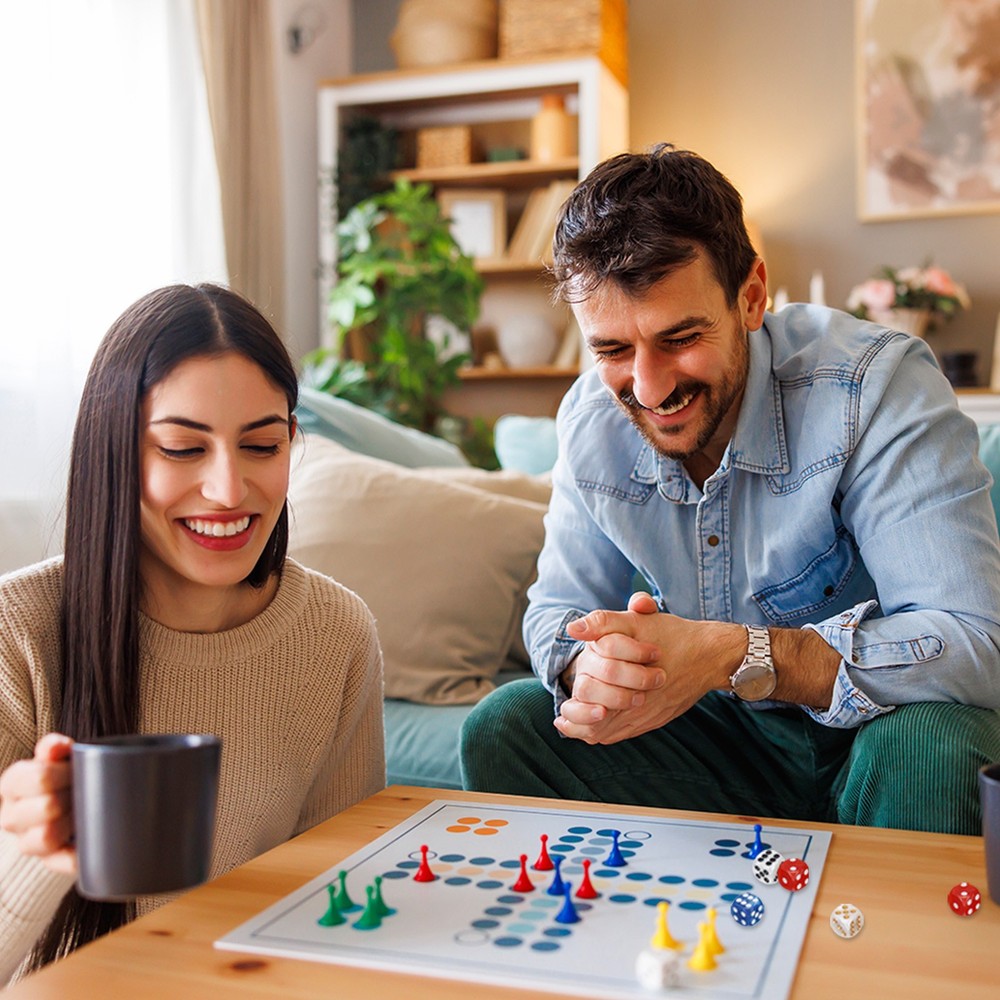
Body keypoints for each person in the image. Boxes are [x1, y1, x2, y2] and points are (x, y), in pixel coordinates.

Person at [460, 144, 1000, 835]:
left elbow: (975, 644)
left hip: (880, 730)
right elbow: (555, 616)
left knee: (932, 748)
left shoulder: (872, 386)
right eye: (613, 351)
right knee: (505, 727)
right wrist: (597, 670)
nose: (649, 388)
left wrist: (735, 653)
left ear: (751, 296)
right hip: (721, 740)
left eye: (680, 337)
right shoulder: (591, 420)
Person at [0, 284, 385, 984]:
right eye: (182, 448)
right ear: (113, 451)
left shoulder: (336, 635)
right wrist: (37, 850)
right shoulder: (14, 635)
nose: (229, 490)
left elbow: (341, 904)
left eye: (262, 445)